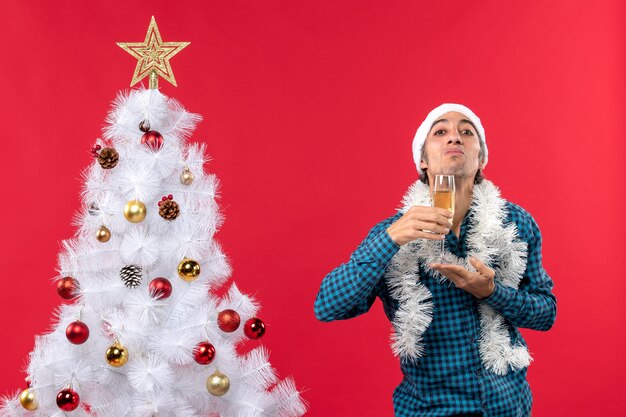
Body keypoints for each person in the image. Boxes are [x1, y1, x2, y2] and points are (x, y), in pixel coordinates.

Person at [314, 103, 557, 417]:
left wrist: (491, 293)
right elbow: (327, 306)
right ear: (423, 161)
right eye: (440, 132)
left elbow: (546, 313)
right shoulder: (392, 234)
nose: (454, 137)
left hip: (508, 405)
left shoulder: (516, 223)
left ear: (481, 158)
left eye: (466, 132)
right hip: (429, 409)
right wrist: (390, 240)